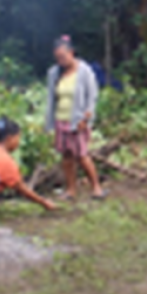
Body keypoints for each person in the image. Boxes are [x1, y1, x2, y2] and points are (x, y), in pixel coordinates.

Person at [45, 35, 105, 200]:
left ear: (71, 52)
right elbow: (51, 98)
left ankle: (96, 187)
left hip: (78, 121)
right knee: (66, 156)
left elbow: (92, 97)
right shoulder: (53, 73)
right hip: (60, 120)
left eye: (63, 57)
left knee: (82, 155)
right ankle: (71, 190)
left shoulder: (84, 71)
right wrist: (49, 124)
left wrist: (86, 120)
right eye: (57, 58)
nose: (60, 61)